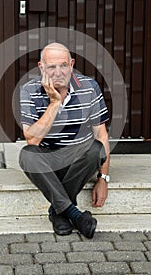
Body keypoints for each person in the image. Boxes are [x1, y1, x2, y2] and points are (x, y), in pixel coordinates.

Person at [19, 42, 110, 239]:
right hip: (47, 163)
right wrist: (54, 102)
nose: (58, 72)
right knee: (27, 155)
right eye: (51, 67)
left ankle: (57, 212)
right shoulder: (29, 90)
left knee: (95, 149)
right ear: (41, 68)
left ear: (72, 65)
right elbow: (32, 140)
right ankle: (74, 215)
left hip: (78, 162)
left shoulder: (89, 87)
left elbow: (101, 135)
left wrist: (103, 179)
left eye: (63, 65)